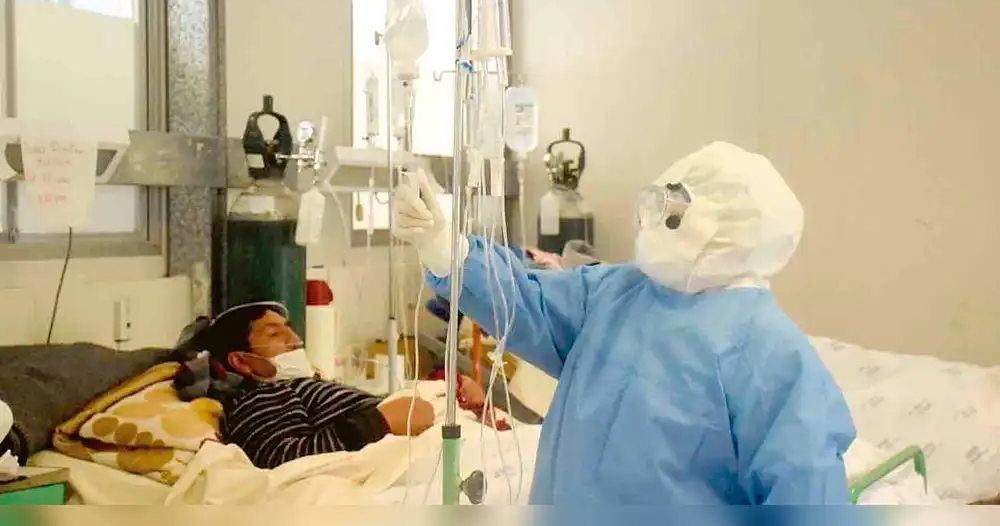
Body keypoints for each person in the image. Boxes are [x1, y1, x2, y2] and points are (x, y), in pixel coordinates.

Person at [392, 141, 856, 505]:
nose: (650, 220)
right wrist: (445, 248)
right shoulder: (616, 292)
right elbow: (527, 302)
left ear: (730, 230)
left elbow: (806, 493)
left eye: (672, 212)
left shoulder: (767, 351)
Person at [176, 301, 483, 470]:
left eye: (289, 329)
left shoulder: (298, 386)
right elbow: (283, 458)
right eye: (274, 334)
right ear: (241, 361)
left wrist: (450, 392)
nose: (295, 340)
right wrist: (380, 421)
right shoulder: (258, 398)